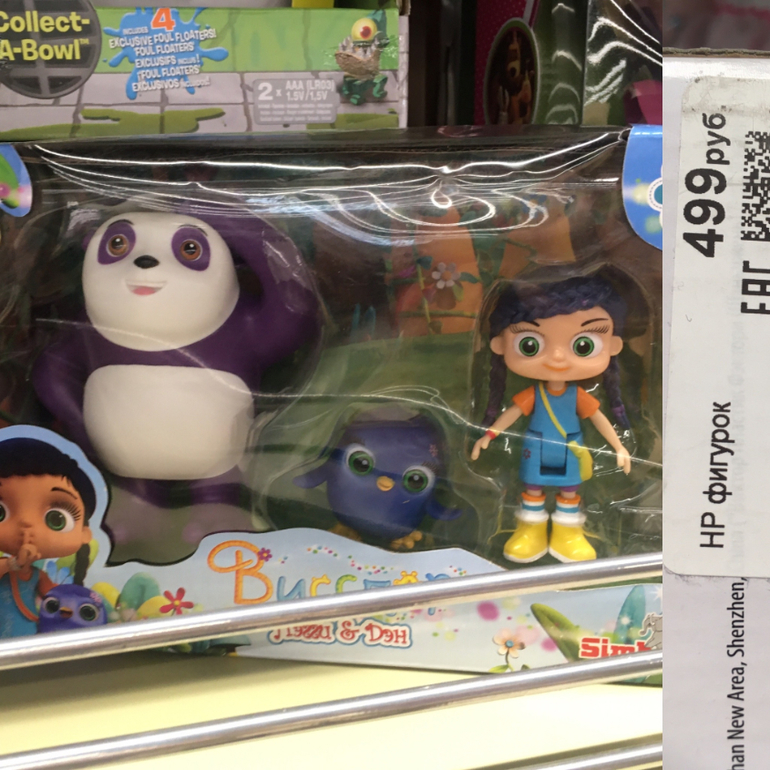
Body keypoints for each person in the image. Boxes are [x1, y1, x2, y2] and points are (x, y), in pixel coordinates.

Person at [472, 276, 632, 564]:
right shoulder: (535, 394)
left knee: (570, 491)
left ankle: (568, 535)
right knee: (532, 489)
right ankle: (529, 531)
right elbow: (513, 413)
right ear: (499, 344)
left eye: (583, 345)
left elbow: (598, 418)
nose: (557, 358)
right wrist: (489, 435)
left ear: (614, 345)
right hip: (537, 446)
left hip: (570, 448)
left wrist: (619, 446)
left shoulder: (576, 396)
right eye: (529, 344)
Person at [0, 436, 97, 637]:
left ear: (84, 533)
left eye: (56, 519)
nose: (26, 523)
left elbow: (55, 594)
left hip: (28, 632)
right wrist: (13, 564)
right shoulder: (5, 566)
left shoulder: (38, 576)